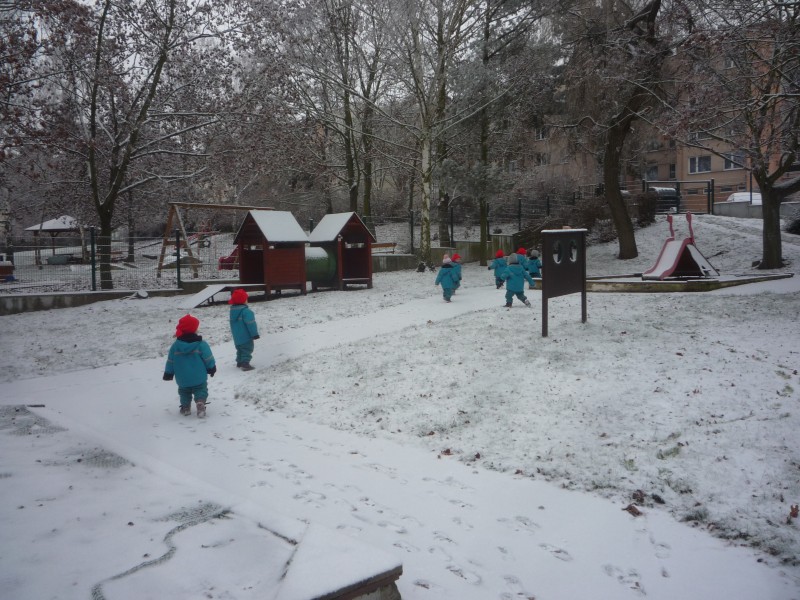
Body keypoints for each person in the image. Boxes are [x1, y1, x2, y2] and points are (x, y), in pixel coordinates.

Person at [163, 314, 216, 418]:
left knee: (184, 392)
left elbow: (170, 361)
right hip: (199, 377)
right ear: (194, 329)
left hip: (182, 378)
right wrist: (211, 368)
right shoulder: (201, 344)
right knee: (201, 390)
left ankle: (186, 407)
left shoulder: (175, 346)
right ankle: (200, 403)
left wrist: (168, 373)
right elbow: (208, 358)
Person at [229, 288, 260, 371]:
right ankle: (245, 363)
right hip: (246, 336)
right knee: (247, 349)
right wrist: (255, 334)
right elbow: (251, 324)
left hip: (237, 337)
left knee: (239, 349)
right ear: (243, 300)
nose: (247, 300)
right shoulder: (246, 311)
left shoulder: (232, 311)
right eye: (246, 298)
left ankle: (239, 362)